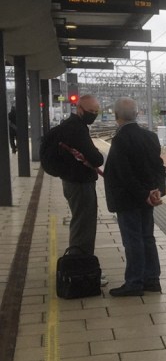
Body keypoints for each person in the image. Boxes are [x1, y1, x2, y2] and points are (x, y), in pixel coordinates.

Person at [104, 97, 166, 297]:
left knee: (133, 240)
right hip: (148, 197)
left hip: (129, 199)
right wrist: (157, 192)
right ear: (137, 114)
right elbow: (159, 167)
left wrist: (142, 195)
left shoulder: (120, 139)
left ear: (116, 116)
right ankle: (152, 280)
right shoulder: (150, 136)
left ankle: (134, 282)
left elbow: (125, 174)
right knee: (147, 237)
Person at [41, 95, 105, 256]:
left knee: (80, 222)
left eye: (96, 111)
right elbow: (97, 159)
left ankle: (79, 263)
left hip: (71, 181)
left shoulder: (69, 126)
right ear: (79, 108)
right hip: (80, 184)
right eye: (91, 111)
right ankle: (81, 267)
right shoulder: (77, 128)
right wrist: (95, 154)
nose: (93, 114)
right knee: (84, 226)